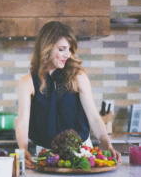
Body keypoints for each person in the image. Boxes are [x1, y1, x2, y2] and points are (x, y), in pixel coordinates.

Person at [15, 21, 121, 169]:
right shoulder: (28, 82)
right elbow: (22, 122)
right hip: (46, 155)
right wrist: (23, 148)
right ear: (47, 48)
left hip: (82, 153)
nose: (68, 54)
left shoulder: (78, 76)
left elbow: (94, 117)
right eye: (62, 49)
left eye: (69, 49)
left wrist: (107, 144)